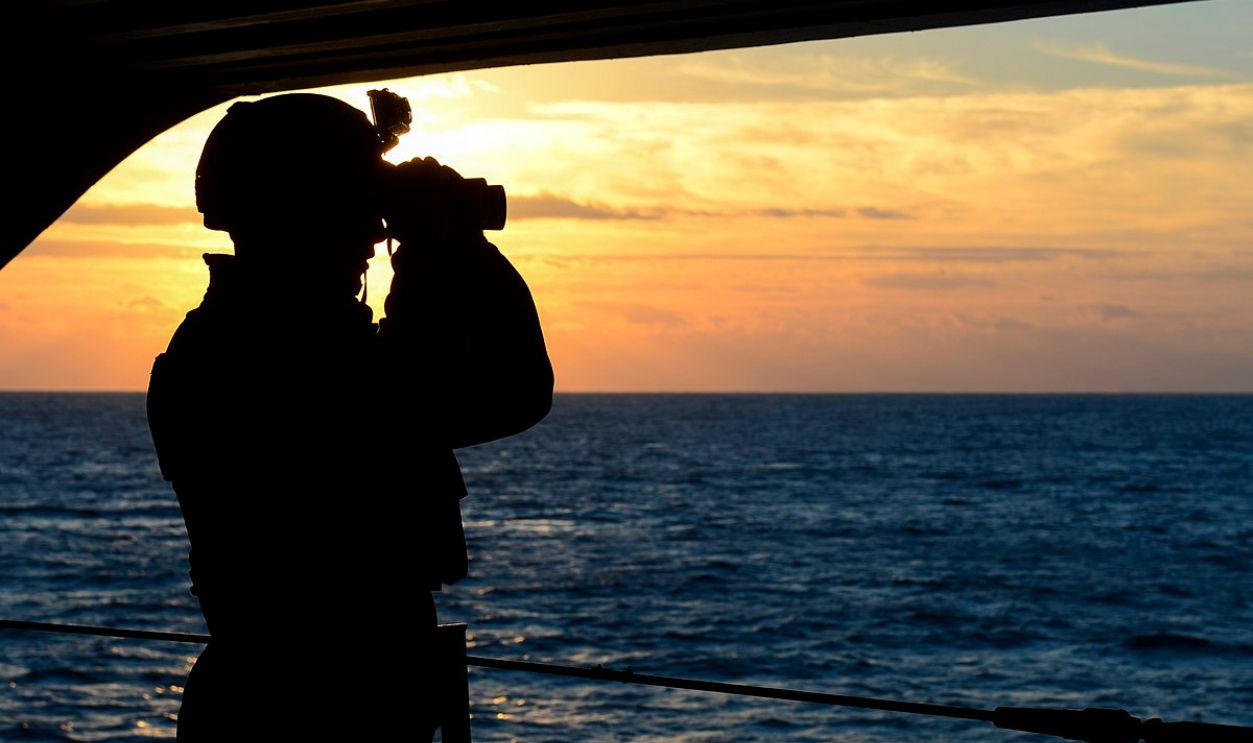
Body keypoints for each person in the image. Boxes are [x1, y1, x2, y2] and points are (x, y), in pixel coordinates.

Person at [146, 93, 553, 740]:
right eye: (358, 208)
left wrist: (440, 243)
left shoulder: (223, 345)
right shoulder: (275, 358)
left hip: (286, 696)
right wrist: (448, 247)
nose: (373, 232)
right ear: (303, 213)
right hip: (318, 707)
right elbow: (508, 388)